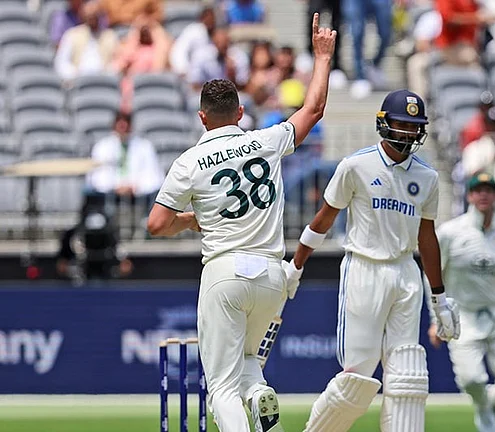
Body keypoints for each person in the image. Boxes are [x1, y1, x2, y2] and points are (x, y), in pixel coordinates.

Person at [145, 14, 336, 432]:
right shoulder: (265, 140)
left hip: (225, 274)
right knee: (247, 365)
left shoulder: (189, 162)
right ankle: (258, 393)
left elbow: (156, 224)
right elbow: (315, 108)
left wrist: (192, 221)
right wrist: (322, 56)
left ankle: (246, 396)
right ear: (241, 112)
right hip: (272, 276)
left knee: (220, 390)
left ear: (202, 118)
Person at [283, 89, 460, 432]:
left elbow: (427, 238)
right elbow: (323, 219)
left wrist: (439, 298)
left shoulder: (427, 177)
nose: (408, 133)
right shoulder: (356, 166)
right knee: (356, 381)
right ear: (384, 123)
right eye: (401, 124)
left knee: (407, 378)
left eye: (414, 126)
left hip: (406, 273)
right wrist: (296, 265)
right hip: (364, 269)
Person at [429, 172, 495, 432]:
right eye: (477, 190)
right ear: (469, 195)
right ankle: (484, 408)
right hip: (462, 316)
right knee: (472, 379)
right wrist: (436, 318)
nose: (483, 194)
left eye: (488, 189)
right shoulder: (450, 232)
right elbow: (431, 277)